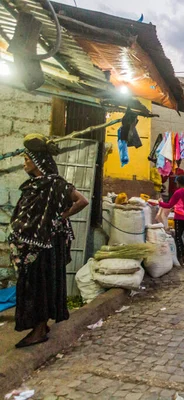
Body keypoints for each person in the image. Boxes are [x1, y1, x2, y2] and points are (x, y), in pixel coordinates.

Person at [10, 134, 89, 348]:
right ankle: (40, 326)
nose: (24, 163)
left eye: (27, 159)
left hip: (44, 246)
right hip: (31, 244)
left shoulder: (55, 184)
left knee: (40, 285)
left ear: (37, 161)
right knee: (31, 284)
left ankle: (39, 329)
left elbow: (82, 200)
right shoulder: (33, 185)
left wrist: (60, 217)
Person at [159, 175, 184, 265]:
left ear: (179, 183)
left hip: (179, 216)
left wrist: (159, 203)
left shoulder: (178, 192)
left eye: (177, 182)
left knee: (178, 237)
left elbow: (169, 205)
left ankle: (181, 258)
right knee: (180, 236)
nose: (176, 184)